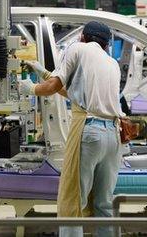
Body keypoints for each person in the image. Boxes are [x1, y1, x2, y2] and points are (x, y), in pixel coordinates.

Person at [19, 21, 126, 237]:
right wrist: (45, 73)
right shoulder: (111, 62)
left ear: (83, 37)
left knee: (72, 202)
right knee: (104, 203)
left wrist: (32, 89)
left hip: (89, 132)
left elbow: (53, 89)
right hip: (113, 136)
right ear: (105, 45)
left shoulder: (77, 48)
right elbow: (77, 94)